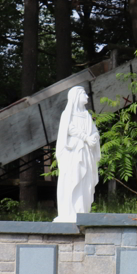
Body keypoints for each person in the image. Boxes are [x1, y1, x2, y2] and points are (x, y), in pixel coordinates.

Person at [54, 86, 100, 223]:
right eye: (84, 94)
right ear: (76, 97)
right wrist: (86, 138)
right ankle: (70, 212)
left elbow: (94, 131)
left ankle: (81, 210)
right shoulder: (67, 114)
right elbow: (69, 130)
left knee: (85, 181)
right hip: (73, 153)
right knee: (72, 179)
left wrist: (94, 138)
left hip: (85, 153)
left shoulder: (87, 115)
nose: (87, 96)